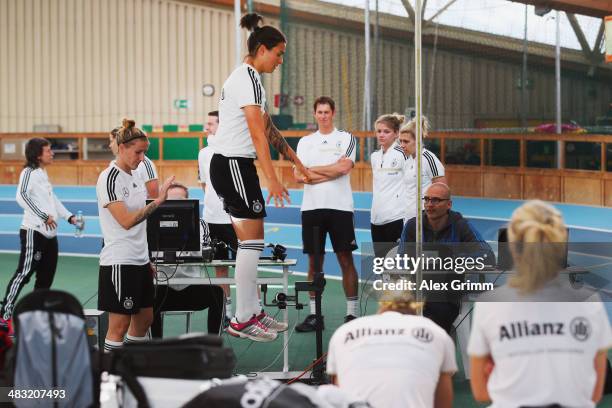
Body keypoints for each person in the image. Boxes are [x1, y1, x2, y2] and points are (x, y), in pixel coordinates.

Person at [208, 13, 309, 342]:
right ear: (262, 49)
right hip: (234, 164)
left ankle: (251, 312)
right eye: (279, 53)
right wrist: (272, 180)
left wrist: (296, 161)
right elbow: (256, 134)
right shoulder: (247, 79)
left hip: (238, 165)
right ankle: (241, 318)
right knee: (250, 243)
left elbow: (268, 128)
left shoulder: (252, 81)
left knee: (253, 242)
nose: (280, 60)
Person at [468, 200, 612, 407]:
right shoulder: (590, 301)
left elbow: (481, 392)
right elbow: (596, 391)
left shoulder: (489, 303)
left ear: (513, 247)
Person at [96, 119, 174, 352]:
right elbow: (128, 221)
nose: (142, 158)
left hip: (139, 260)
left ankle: (131, 367)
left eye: (144, 153)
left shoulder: (135, 176)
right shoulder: (109, 178)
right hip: (120, 261)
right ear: (122, 148)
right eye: (138, 152)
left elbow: (142, 225)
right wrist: (158, 201)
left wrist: (146, 257)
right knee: (119, 326)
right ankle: (109, 375)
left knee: (144, 320)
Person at [293, 96, 360, 332]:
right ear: (314, 114)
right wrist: (330, 170)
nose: (323, 115)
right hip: (311, 209)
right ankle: (314, 316)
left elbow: (344, 168)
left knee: (345, 259)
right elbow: (298, 175)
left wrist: (312, 172)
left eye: (326, 112)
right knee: (314, 262)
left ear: (333, 113)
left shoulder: (346, 138)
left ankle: (352, 314)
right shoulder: (305, 142)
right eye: (319, 112)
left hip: (340, 207)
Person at [326, 289, 456, 408]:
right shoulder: (437, 333)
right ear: (415, 309)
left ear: (382, 307)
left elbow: (338, 394)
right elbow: (443, 403)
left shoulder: (344, 332)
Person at [0, 138, 82, 325]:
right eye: (48, 151)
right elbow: (21, 197)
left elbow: (52, 199)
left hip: (50, 236)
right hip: (33, 232)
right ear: (38, 155)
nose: (52, 153)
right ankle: (4, 315)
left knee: (45, 280)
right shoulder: (28, 173)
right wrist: (43, 215)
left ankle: (34, 316)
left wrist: (69, 217)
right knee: (24, 274)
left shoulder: (42, 173)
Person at [399, 182, 494, 334]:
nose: (429, 204)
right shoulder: (413, 226)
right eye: (427, 199)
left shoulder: (461, 226)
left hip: (447, 293)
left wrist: (453, 260)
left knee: (433, 319)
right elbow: (402, 258)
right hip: (416, 289)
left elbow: (487, 256)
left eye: (436, 200)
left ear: (448, 204)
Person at [150, 182, 225, 336]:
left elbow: (205, 252)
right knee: (146, 296)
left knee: (218, 294)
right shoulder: (151, 224)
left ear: (188, 202)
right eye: (169, 201)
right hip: (163, 290)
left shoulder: (200, 225)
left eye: (180, 200)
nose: (174, 205)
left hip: (192, 288)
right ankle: (155, 349)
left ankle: (214, 344)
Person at [198, 110, 236, 323]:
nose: (207, 128)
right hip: (213, 219)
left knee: (245, 265)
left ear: (222, 125)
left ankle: (253, 310)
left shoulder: (234, 149)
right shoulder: (203, 153)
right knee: (220, 266)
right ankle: (226, 311)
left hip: (235, 219)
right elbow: (205, 184)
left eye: (211, 124)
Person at [370, 113, 410, 258]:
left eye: (386, 131)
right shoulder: (374, 157)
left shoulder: (403, 154)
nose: (381, 135)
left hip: (396, 218)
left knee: (396, 265)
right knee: (381, 265)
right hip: (376, 219)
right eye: (379, 131)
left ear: (396, 134)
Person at [398, 116, 446, 220]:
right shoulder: (407, 160)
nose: (402, 145)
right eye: (400, 141)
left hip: (424, 219)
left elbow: (443, 191)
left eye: (406, 142)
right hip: (408, 218)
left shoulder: (429, 159)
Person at [109, 125, 159, 198]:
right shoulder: (113, 165)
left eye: (111, 141)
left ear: (118, 142)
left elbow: (154, 197)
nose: (110, 145)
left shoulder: (144, 163)